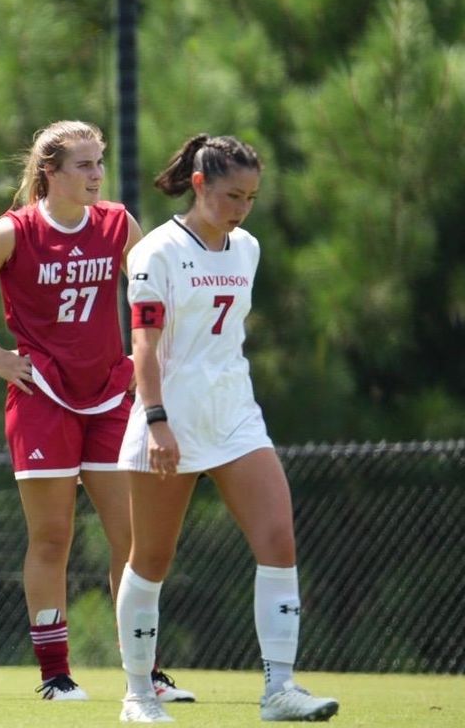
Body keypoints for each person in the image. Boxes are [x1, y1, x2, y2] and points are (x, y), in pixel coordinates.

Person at [0, 121, 192, 702]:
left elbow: (155, 292)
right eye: (83, 164)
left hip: (108, 395)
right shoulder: (15, 232)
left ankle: (144, 672)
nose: (96, 174)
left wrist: (151, 350)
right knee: (52, 538)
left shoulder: (118, 224)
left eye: (99, 162)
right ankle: (55, 675)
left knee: (129, 534)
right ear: (49, 171)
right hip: (42, 399)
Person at [114, 134, 339, 723]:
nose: (240, 209)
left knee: (278, 542)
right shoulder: (157, 252)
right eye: (231, 195)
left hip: (237, 415)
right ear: (198, 185)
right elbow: (144, 343)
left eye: (251, 198)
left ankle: (280, 690)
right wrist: (157, 419)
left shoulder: (248, 249)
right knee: (151, 560)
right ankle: (138, 695)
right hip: (170, 417)